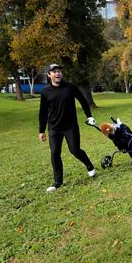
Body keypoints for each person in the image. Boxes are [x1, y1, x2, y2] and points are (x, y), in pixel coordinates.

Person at [38, 64, 97, 192]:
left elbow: (83, 100)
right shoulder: (45, 92)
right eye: (54, 72)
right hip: (54, 128)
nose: (57, 73)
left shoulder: (70, 87)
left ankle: (89, 165)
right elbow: (42, 112)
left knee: (75, 150)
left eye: (59, 71)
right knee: (55, 153)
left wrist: (89, 116)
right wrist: (41, 130)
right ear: (49, 75)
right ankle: (57, 182)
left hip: (70, 126)